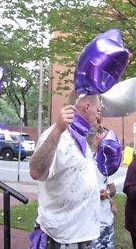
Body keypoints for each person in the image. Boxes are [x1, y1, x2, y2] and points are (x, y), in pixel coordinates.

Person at [29, 91, 101, 249]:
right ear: (87, 107)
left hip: (82, 234)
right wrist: (57, 130)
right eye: (98, 110)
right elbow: (36, 171)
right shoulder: (56, 135)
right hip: (62, 238)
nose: (99, 116)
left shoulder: (80, 137)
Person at [90, 125, 117, 249]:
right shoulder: (87, 160)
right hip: (91, 224)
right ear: (98, 136)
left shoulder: (106, 163)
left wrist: (107, 194)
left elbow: (113, 189)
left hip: (107, 222)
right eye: (106, 137)